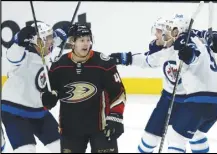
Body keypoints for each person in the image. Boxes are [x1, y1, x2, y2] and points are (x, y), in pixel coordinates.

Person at [109, 14, 217, 153]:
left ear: (175, 31)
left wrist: (193, 53)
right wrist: (123, 58)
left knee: (176, 137)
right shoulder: (172, 46)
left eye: (161, 30)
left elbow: (194, 56)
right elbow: (148, 59)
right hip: (177, 97)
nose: (157, 34)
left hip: (195, 98)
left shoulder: (185, 42)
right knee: (154, 137)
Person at [41, 23, 126, 153]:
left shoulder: (103, 63)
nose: (86, 44)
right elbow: (50, 93)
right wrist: (48, 98)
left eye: (88, 40)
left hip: (101, 128)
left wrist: (115, 117)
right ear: (72, 42)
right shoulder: (59, 65)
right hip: (70, 129)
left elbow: (118, 92)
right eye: (81, 40)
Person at [1, 21, 67, 153]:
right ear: (36, 41)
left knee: (63, 148)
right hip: (14, 112)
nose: (51, 42)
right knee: (27, 150)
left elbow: (57, 38)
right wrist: (18, 40)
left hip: (38, 112)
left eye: (50, 37)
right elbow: (12, 56)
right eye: (46, 39)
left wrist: (64, 32)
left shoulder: (48, 51)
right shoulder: (22, 54)